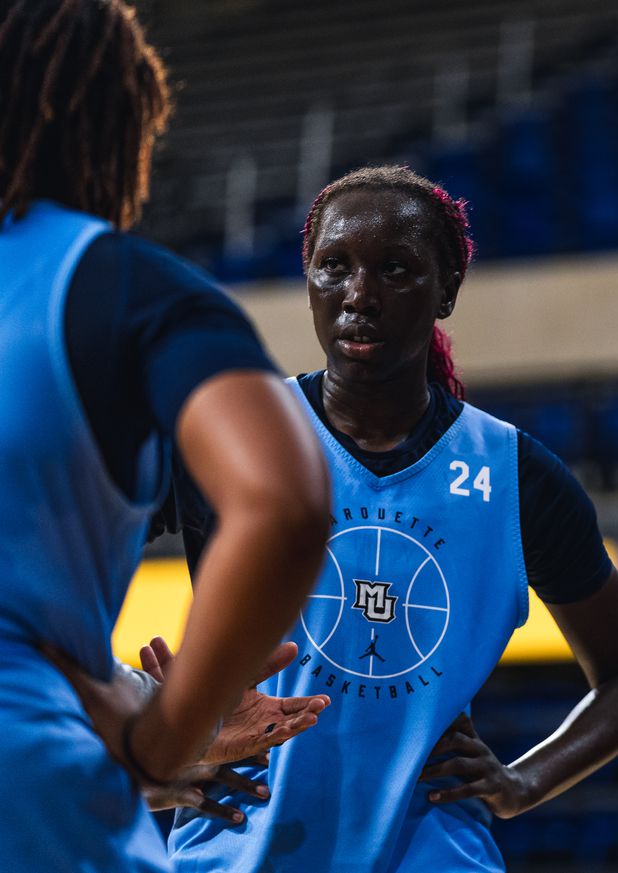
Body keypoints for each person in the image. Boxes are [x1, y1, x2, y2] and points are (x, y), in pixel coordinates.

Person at [165, 165, 618, 872]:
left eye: (395, 269)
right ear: (306, 279)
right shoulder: (228, 431)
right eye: (333, 267)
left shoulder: (514, 472)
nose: (359, 296)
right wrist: (143, 747)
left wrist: (522, 783)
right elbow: (50, 575)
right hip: (234, 850)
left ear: (447, 290)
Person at [0, 0, 331, 869]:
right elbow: (284, 502)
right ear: (115, 127)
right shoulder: (122, 289)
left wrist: (122, 696)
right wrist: (161, 729)